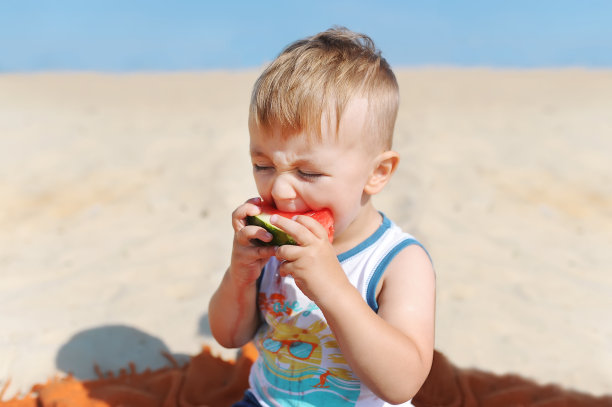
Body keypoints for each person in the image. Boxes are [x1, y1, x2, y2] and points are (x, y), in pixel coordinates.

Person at [208, 26, 436, 407]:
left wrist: (332, 288)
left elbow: (402, 385)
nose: (279, 191)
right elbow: (229, 337)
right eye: (262, 165)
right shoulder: (268, 244)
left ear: (377, 174)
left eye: (308, 173)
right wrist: (240, 276)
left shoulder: (399, 262)